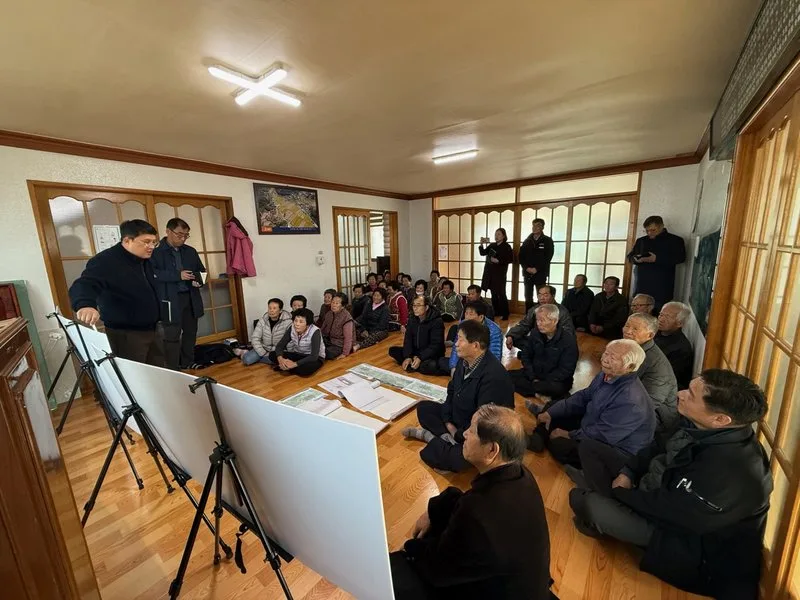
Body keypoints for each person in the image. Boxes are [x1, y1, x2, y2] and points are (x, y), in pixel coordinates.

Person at [569, 369, 771, 599]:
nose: (681, 394)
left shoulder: (735, 470)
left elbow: (668, 511)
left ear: (720, 419)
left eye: (691, 395)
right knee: (590, 448)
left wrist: (622, 495)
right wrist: (628, 471)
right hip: (650, 487)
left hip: (681, 539)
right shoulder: (697, 424)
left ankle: (601, 504)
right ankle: (604, 502)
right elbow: (654, 446)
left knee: (582, 501)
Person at [391, 405, 553, 600]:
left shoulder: (479, 511)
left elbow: (439, 570)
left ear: (492, 450)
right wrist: (432, 511)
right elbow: (463, 499)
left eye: (472, 430)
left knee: (393, 571)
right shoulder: (522, 475)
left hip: (495, 592)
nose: (464, 434)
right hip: (524, 585)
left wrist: (410, 548)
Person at [402, 319, 515, 473]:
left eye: (460, 339)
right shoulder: (465, 362)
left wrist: (460, 434)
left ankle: (436, 439)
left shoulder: (494, 376)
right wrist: (448, 422)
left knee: (451, 458)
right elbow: (451, 391)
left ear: (475, 345)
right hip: (459, 418)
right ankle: (446, 440)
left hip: (479, 432)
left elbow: (482, 422)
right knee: (423, 408)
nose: (455, 344)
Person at [528, 339, 655, 468]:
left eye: (613, 357)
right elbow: (583, 397)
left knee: (559, 446)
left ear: (630, 367)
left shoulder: (630, 400)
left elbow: (603, 434)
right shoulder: (606, 374)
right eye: (606, 353)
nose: (605, 359)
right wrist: (551, 413)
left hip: (613, 448)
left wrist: (568, 434)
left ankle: (542, 436)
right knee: (554, 407)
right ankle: (540, 436)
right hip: (592, 422)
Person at [69, 219, 165, 366]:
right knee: (133, 378)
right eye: (146, 242)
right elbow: (84, 284)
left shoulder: (145, 259)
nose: (151, 247)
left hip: (153, 328)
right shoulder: (106, 261)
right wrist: (85, 304)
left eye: (154, 242)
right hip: (126, 333)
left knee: (158, 372)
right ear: (127, 240)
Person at [149, 218, 206, 370]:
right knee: (171, 335)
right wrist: (177, 275)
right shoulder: (156, 252)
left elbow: (202, 270)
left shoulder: (190, 251)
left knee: (190, 332)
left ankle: (188, 361)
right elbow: (152, 274)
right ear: (168, 231)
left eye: (186, 235)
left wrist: (199, 281)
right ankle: (173, 367)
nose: (182, 238)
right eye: (179, 235)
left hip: (190, 297)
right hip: (169, 299)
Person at [509, 304, 578, 400]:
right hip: (534, 374)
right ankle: (539, 393)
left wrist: (542, 381)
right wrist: (532, 376)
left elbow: (566, 370)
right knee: (506, 376)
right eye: (537, 320)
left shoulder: (568, 340)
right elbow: (526, 355)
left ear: (554, 321)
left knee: (558, 388)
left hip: (554, 380)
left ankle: (536, 390)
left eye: (542, 320)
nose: (538, 324)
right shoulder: (535, 333)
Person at [623, 313, 678, 430]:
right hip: (628, 401)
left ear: (650, 335)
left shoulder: (657, 365)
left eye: (635, 329)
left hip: (656, 415)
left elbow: (648, 403)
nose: (627, 331)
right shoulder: (629, 347)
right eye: (627, 326)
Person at [627, 216, 686, 311]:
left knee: (659, 319)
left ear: (662, 226)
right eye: (647, 231)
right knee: (638, 319)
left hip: (662, 288)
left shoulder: (675, 240)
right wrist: (636, 260)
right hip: (641, 287)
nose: (650, 233)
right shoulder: (641, 241)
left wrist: (657, 259)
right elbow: (629, 257)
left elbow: (680, 258)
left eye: (653, 230)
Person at [439, 301, 503, 376]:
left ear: (481, 317)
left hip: (481, 364)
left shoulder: (494, 330)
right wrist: (453, 367)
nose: (467, 317)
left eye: (471, 314)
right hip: (465, 360)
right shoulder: (463, 324)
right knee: (438, 362)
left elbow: (494, 356)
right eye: (466, 313)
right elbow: (456, 348)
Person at [506, 285, 574, 351]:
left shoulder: (562, 311)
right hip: (538, 340)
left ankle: (537, 353)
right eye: (539, 295)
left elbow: (568, 332)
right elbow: (524, 324)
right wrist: (511, 335)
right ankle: (536, 353)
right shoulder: (534, 309)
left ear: (553, 296)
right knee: (515, 338)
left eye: (545, 295)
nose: (542, 298)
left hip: (554, 342)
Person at [389, 295, 445, 374]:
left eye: (418, 305)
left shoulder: (436, 321)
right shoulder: (412, 319)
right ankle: (413, 363)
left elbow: (436, 345)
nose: (415, 308)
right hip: (415, 352)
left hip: (430, 354)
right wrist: (408, 356)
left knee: (432, 365)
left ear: (426, 307)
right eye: (414, 305)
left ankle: (416, 364)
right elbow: (408, 340)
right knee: (392, 350)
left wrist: (420, 357)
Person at [269, 308, 325, 376]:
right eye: (295, 321)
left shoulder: (315, 332)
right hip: (298, 354)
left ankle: (286, 367)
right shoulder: (292, 328)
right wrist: (281, 360)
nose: (297, 324)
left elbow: (314, 356)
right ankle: (286, 366)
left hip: (313, 358)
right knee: (272, 354)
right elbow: (280, 346)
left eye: (301, 322)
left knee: (304, 371)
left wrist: (294, 364)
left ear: (308, 324)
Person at [236, 298, 292, 365]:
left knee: (279, 361)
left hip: (278, 351)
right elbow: (255, 338)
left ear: (280, 310)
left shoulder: (288, 322)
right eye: (269, 308)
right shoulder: (262, 321)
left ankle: (261, 358)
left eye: (274, 308)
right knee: (247, 360)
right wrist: (263, 353)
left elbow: (290, 340)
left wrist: (289, 353)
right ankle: (245, 353)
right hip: (263, 348)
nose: (271, 310)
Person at [655, 301, 694, 390]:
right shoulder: (656, 331)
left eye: (667, 317)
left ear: (680, 323)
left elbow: (667, 377)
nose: (661, 319)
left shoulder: (681, 348)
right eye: (661, 315)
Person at [519, 218, 554, 312]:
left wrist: (537, 269)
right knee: (528, 296)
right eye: (533, 225)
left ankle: (541, 316)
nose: (535, 228)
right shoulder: (527, 241)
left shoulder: (547, 240)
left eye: (538, 225)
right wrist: (526, 268)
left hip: (540, 273)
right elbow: (521, 257)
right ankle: (529, 316)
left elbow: (548, 257)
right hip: (527, 273)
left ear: (542, 227)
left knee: (542, 296)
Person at [478, 227, 513, 320]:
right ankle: (496, 311)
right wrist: (481, 244)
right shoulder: (492, 245)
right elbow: (483, 253)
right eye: (495, 234)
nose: (496, 236)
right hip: (490, 272)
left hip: (500, 274)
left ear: (504, 236)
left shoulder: (507, 246)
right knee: (493, 293)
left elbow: (510, 259)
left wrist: (498, 260)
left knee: (501, 293)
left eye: (499, 234)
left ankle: (505, 313)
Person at [320, 292, 356, 360]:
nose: (333, 305)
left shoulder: (346, 318)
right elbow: (323, 329)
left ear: (343, 306)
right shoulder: (329, 314)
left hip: (340, 344)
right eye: (333, 302)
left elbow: (348, 338)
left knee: (326, 353)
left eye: (337, 303)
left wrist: (345, 353)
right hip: (329, 340)